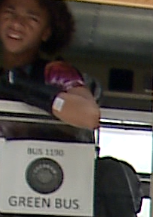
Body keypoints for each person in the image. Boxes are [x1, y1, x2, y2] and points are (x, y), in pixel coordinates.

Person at [0, 0, 100, 134]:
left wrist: (23, 87)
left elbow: (89, 116)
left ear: (46, 32)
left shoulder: (54, 73)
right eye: (9, 12)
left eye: (32, 19)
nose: (17, 24)